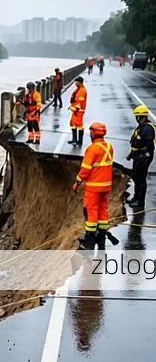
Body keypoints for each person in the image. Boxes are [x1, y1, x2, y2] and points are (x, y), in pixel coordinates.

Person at [73, 122, 114, 250]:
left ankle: (89, 242)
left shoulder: (93, 149)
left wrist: (77, 182)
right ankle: (101, 238)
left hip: (94, 187)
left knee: (91, 212)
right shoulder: (109, 147)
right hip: (106, 186)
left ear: (93, 133)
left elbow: (85, 169)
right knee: (103, 212)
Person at [127, 104, 155, 210]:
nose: (136, 119)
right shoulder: (141, 127)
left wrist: (145, 156)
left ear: (141, 116)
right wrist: (131, 154)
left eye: (137, 117)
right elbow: (136, 142)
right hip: (138, 156)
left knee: (141, 179)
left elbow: (149, 144)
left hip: (143, 157)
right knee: (136, 177)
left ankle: (140, 201)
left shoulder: (147, 128)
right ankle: (135, 197)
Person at [68, 76, 88, 146]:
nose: (75, 83)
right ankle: (77, 140)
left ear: (80, 82)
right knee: (75, 124)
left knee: (76, 125)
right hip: (77, 110)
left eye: (76, 82)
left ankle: (76, 140)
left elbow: (80, 101)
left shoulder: (82, 91)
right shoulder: (79, 90)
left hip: (78, 111)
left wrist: (76, 109)